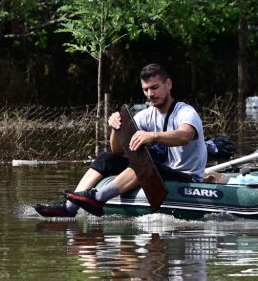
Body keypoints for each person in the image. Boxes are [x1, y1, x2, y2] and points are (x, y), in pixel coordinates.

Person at [35, 63, 207, 217]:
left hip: (185, 177)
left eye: (154, 88)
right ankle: (69, 208)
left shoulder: (185, 112)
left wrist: (152, 135)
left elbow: (184, 136)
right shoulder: (145, 115)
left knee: (144, 163)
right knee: (106, 158)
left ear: (168, 84)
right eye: (146, 90)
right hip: (157, 172)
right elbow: (117, 150)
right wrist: (116, 128)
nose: (150, 94)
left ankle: (98, 198)